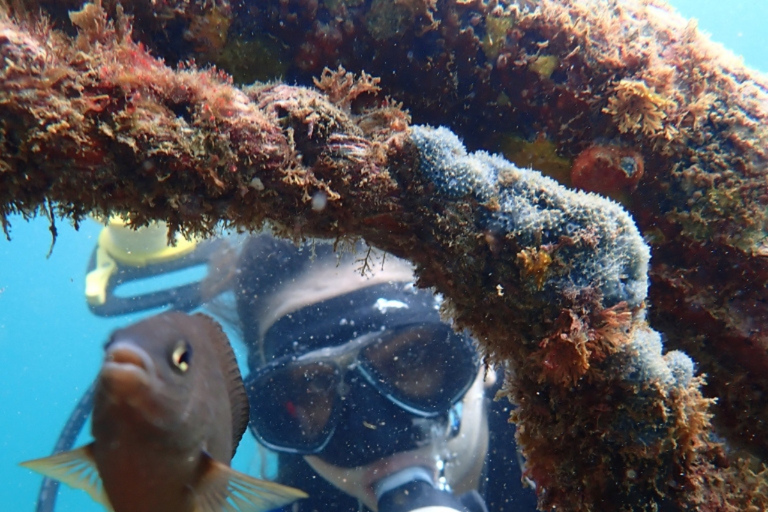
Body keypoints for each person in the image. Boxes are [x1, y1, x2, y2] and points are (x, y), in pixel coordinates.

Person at [233, 234, 539, 512]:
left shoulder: (572, 456)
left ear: (486, 350)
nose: (377, 436)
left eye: (410, 356)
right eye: (313, 385)